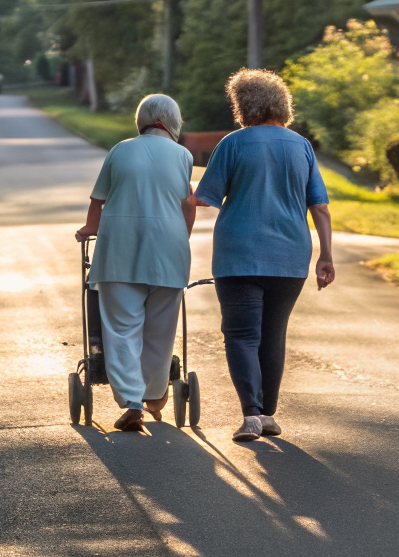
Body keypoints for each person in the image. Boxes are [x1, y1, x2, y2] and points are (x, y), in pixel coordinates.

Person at [194, 69, 334, 443]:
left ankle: (252, 415)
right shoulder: (300, 145)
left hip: (239, 254)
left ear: (243, 105)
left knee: (241, 335)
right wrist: (326, 256)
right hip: (290, 255)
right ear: (282, 104)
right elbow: (319, 206)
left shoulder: (234, 144)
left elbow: (203, 198)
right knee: (273, 334)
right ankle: (268, 414)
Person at [75, 94, 197, 431]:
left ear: (139, 120)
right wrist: (180, 240)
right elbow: (188, 203)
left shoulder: (120, 150)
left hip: (120, 252)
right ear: (174, 122)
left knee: (122, 329)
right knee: (160, 331)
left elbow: (98, 200)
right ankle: (155, 394)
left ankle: (131, 401)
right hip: (169, 251)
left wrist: (89, 229)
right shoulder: (183, 155)